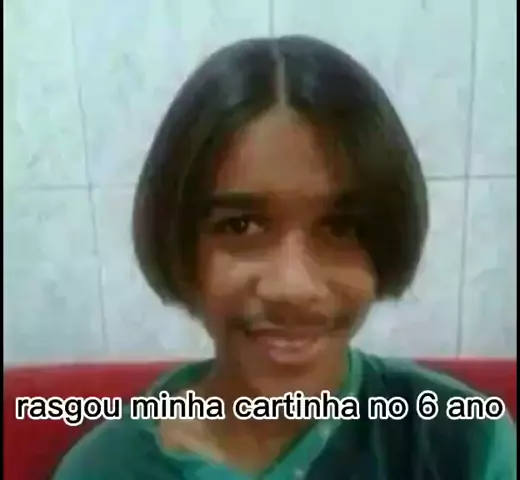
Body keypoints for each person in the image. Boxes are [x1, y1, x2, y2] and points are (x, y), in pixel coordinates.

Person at [53, 35, 516, 480]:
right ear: (178, 241)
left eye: (342, 228)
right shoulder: (106, 470)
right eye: (241, 226)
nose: (293, 287)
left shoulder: (462, 443)